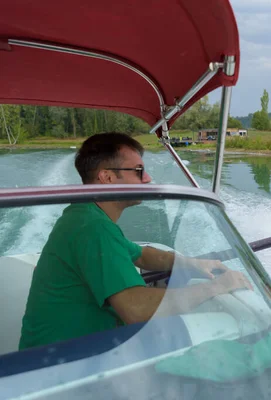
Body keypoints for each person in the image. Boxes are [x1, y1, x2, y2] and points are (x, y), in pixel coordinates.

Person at [19, 132, 252, 350]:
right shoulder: (92, 227)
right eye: (138, 171)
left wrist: (190, 263)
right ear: (107, 177)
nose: (148, 178)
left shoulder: (85, 214)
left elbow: (140, 255)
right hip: (57, 368)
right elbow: (136, 310)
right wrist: (216, 287)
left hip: (68, 351)